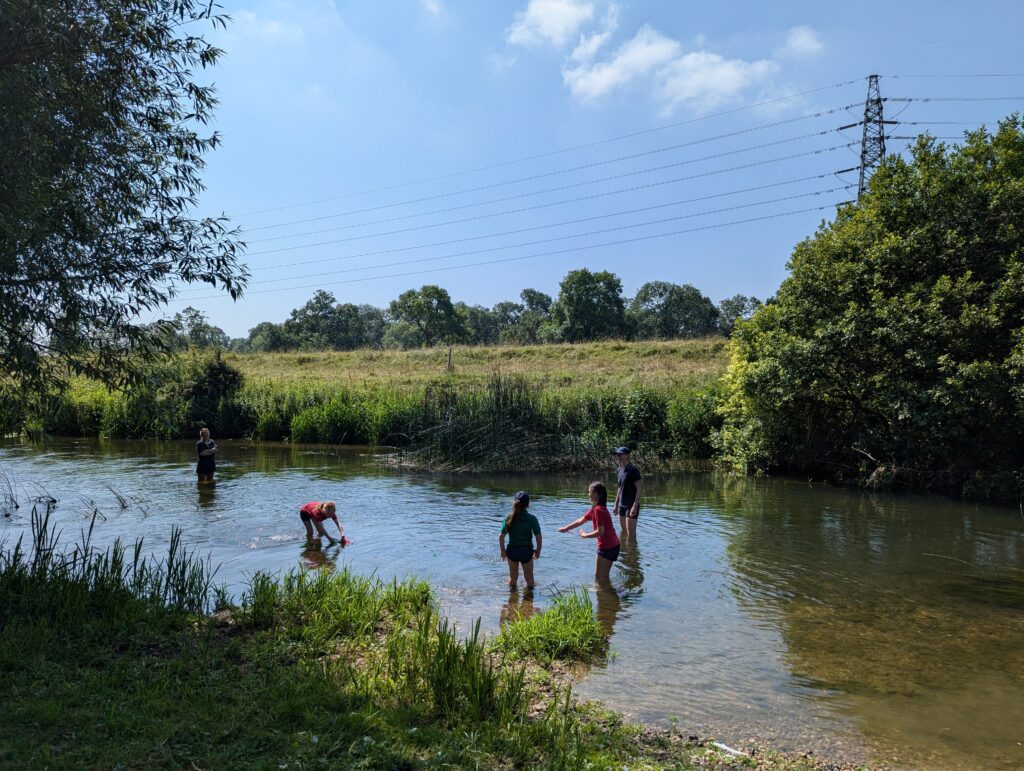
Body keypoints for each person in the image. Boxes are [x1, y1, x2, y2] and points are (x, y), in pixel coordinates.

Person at [558, 481, 620, 585]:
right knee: (604, 577)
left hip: (607, 547)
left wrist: (585, 535)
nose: (588, 494)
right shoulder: (597, 508)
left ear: (596, 494)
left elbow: (601, 532)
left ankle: (603, 598)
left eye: (589, 492)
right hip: (614, 545)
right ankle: (609, 597)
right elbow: (581, 520)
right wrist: (566, 528)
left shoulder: (598, 510)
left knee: (599, 577)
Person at [499, 490, 542, 589]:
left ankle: (511, 600)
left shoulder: (509, 517)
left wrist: (502, 551)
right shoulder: (532, 518)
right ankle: (529, 600)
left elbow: (501, 536)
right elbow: (538, 536)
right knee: (530, 580)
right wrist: (538, 550)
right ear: (528, 504)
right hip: (526, 552)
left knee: (513, 579)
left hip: (512, 552)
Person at [612, 446, 643, 541]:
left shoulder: (633, 470)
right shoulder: (620, 470)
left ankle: (632, 554)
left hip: (631, 505)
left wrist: (635, 505)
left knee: (631, 534)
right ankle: (624, 553)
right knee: (624, 532)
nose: (618, 456)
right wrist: (616, 504)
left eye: (620, 454)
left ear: (627, 456)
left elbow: (639, 488)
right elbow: (619, 487)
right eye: (617, 454)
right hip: (622, 505)